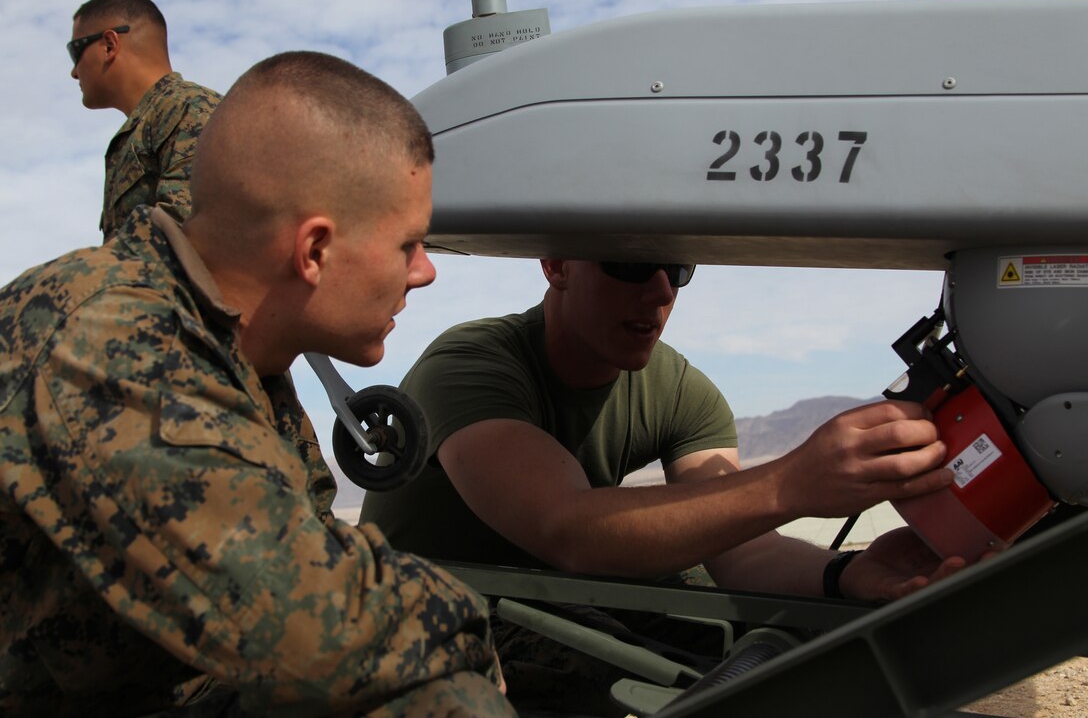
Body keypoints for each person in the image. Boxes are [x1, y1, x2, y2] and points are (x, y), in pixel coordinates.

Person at [0, 51, 513, 716]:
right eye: (407, 245)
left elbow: (317, 567)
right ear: (314, 251)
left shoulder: (239, 355)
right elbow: (313, 629)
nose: (424, 273)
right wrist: (466, 630)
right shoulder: (108, 338)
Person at [361, 259, 967, 713]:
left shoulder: (679, 391)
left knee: (778, 639)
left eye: (678, 270)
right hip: (437, 610)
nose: (659, 293)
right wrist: (796, 481)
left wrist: (845, 577)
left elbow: (742, 551)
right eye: (628, 265)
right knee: (654, 675)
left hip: (568, 594)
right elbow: (568, 528)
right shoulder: (472, 364)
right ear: (556, 266)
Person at [70, 0, 221, 240]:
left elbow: (186, 235)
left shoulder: (191, 108)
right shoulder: (142, 128)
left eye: (75, 53)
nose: (74, 72)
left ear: (109, 45)